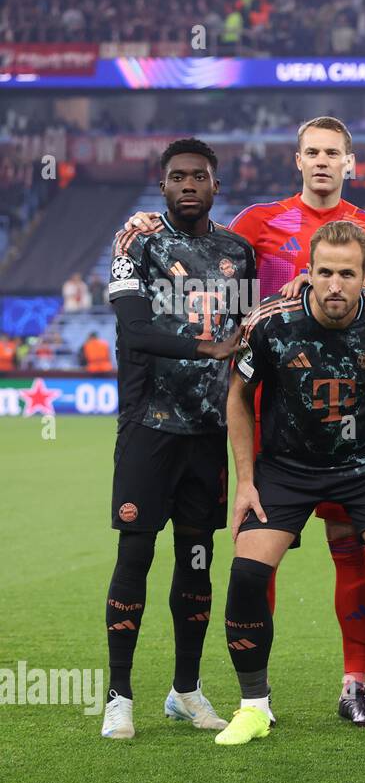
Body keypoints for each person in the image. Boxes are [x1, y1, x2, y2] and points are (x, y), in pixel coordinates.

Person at [121, 116, 365, 727]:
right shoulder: (254, 225)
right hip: (271, 413)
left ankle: (355, 685)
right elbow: (198, 243)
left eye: (333, 154)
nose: (322, 162)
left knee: (350, 550)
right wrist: (142, 225)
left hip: (347, 414)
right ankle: (256, 697)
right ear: (296, 160)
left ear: (350, 163)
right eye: (312, 152)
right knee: (258, 552)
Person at [216, 220, 365, 747]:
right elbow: (238, 397)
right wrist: (246, 482)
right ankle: (253, 707)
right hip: (287, 467)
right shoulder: (272, 322)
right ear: (307, 273)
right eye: (325, 273)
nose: (335, 284)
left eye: (347, 273)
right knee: (247, 575)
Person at [99, 137, 256, 740]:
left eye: (200, 176)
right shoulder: (137, 240)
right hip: (149, 428)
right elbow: (135, 331)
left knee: (197, 562)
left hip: (208, 433)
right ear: (161, 185)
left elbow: (244, 335)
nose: (188, 184)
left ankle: (185, 690)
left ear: (216, 185)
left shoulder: (237, 253)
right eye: (177, 177)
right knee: (134, 556)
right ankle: (119, 694)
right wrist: (205, 347)